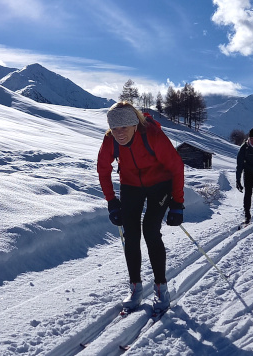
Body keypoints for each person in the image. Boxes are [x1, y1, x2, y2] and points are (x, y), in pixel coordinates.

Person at [96, 102, 185, 313]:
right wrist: (111, 201)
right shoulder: (110, 141)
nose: (119, 133)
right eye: (115, 128)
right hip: (130, 185)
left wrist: (177, 203)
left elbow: (176, 166)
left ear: (135, 124)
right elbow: (102, 169)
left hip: (160, 184)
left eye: (123, 128)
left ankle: (161, 288)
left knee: (150, 230)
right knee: (131, 233)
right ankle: (135, 287)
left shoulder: (152, 135)